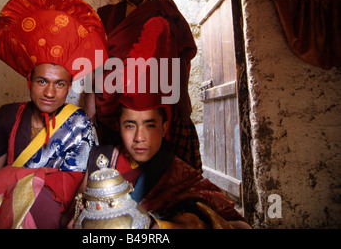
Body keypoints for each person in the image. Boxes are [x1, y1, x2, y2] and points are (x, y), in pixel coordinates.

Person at [65, 17, 250, 229]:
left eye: (150, 125)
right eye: (130, 125)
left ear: (164, 128)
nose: (139, 137)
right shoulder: (102, 159)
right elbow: (73, 216)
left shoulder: (179, 174)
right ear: (118, 125)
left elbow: (241, 225)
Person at [0, 0, 108, 229]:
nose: (50, 93)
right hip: (6, 207)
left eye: (59, 84)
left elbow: (82, 184)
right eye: (42, 81)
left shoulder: (79, 123)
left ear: (69, 86)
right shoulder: (8, 114)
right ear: (29, 81)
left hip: (54, 218)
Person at [85, 0, 202, 172]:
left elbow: (181, 54)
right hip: (115, 101)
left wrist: (183, 98)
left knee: (161, 168)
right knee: (116, 168)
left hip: (158, 99)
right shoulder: (107, 15)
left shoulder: (165, 9)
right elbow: (96, 61)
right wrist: (91, 101)